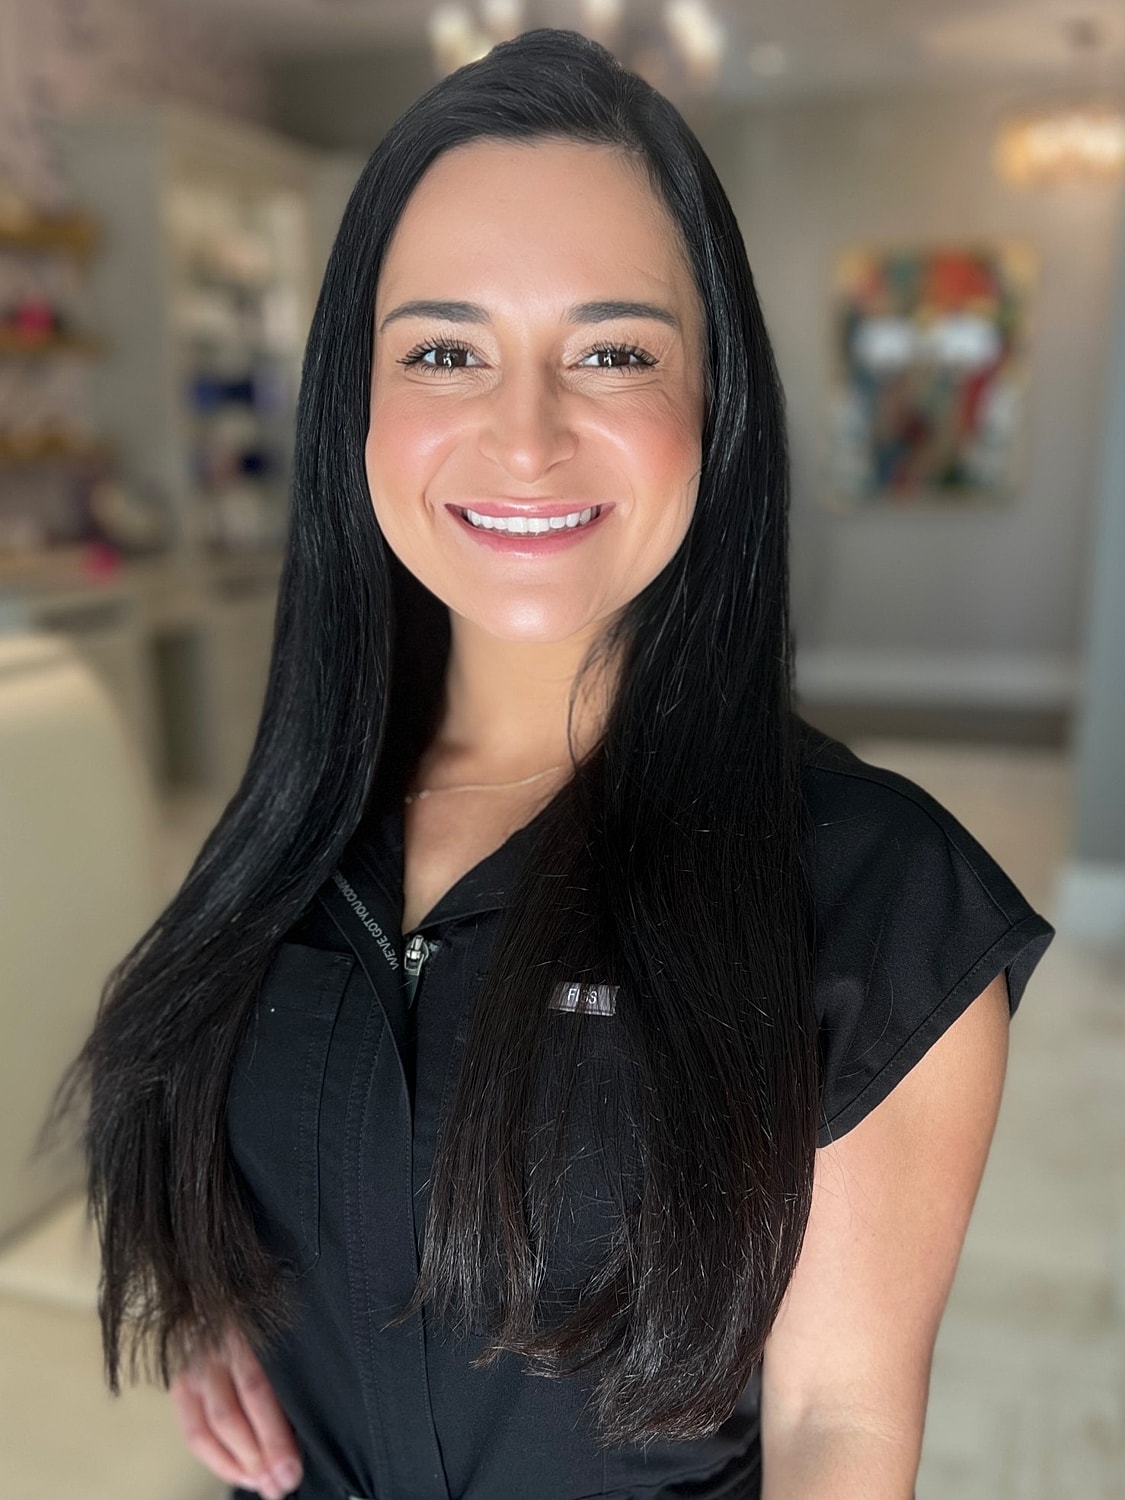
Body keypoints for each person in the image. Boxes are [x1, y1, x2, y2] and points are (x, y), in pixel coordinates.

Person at [60, 28, 1055, 1500]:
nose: (523, 438)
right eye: (444, 351)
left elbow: (839, 1427)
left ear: (717, 404)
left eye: (613, 352)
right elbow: (232, 1131)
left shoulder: (872, 902)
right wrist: (218, 1284)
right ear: (354, 402)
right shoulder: (295, 818)